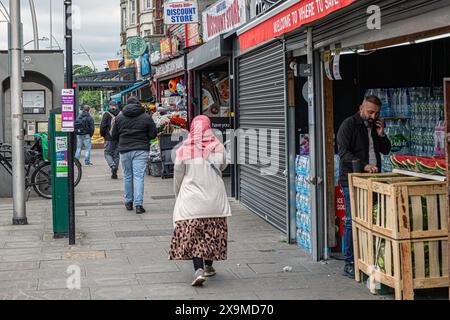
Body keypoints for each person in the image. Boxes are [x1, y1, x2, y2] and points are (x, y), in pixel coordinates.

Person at [169, 115, 231, 287]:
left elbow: (178, 175)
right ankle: (209, 267)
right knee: (212, 232)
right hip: (214, 200)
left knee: (195, 236)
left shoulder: (184, 149)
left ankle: (198, 270)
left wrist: (178, 194)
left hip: (192, 200)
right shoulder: (218, 147)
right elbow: (223, 166)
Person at [337, 95, 391, 278]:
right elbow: (343, 153)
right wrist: (363, 166)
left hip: (374, 180)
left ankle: (368, 259)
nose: (373, 116)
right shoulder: (349, 125)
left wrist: (382, 134)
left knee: (372, 220)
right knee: (353, 220)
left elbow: (385, 150)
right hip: (351, 180)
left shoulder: (375, 127)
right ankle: (349, 263)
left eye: (376, 113)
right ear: (361, 107)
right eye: (370, 112)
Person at [111, 96, 157, 214]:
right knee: (138, 176)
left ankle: (128, 202)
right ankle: (138, 205)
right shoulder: (146, 117)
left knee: (127, 176)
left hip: (124, 149)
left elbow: (114, 135)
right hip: (141, 149)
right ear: (138, 104)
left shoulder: (119, 117)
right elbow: (153, 134)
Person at [100, 100, 121, 179]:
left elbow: (103, 126)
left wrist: (103, 135)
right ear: (116, 105)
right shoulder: (120, 114)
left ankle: (112, 166)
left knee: (107, 153)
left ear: (109, 106)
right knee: (116, 154)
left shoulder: (106, 114)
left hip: (109, 138)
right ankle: (115, 170)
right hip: (118, 138)